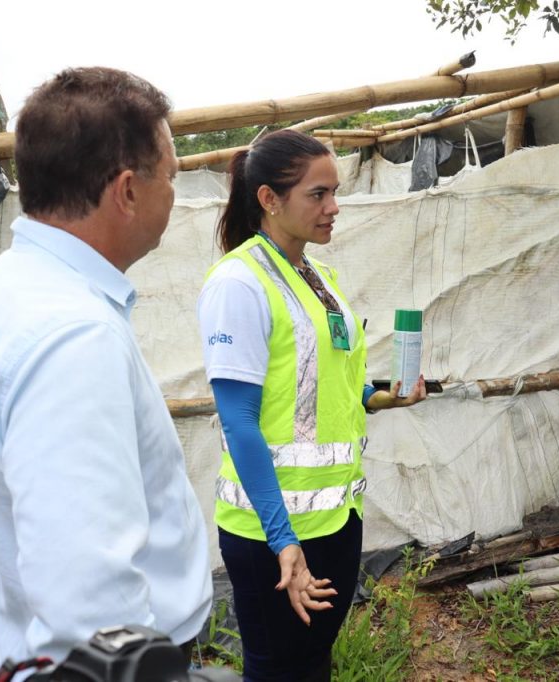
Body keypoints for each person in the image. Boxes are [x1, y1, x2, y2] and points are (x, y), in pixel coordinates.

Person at [0, 67, 212, 672]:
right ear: (128, 191)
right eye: (172, 175)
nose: (174, 193)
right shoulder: (72, 335)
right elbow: (92, 607)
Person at [198, 129, 426, 681]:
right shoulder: (239, 283)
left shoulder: (317, 276)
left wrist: (378, 396)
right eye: (318, 195)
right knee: (278, 669)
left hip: (335, 517)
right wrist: (283, 541)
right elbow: (239, 421)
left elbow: (326, 382)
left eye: (334, 192)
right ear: (269, 199)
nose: (334, 207)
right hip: (275, 535)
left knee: (310, 663)